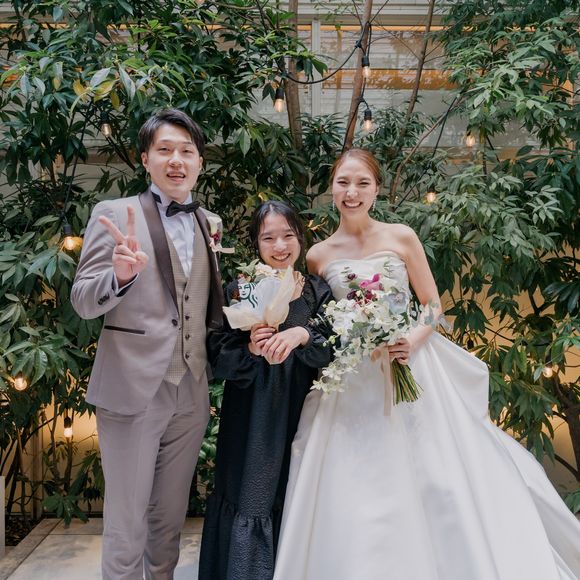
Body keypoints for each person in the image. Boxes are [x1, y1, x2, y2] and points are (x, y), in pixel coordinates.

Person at [273, 149, 580, 580]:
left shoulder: (401, 236)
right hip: (351, 375)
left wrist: (411, 340)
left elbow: (433, 305)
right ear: (332, 188)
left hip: (411, 365)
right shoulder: (318, 255)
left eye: (362, 183)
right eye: (343, 182)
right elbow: (324, 319)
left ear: (376, 190)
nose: (352, 192)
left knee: (438, 474)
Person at [71, 108, 224, 580]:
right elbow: (82, 300)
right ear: (145, 159)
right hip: (132, 388)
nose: (176, 160)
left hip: (191, 389)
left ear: (199, 162)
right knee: (126, 522)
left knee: (169, 519)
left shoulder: (211, 222)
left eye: (187, 151)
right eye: (165, 150)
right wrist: (118, 277)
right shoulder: (115, 214)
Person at [198, 201, 334, 580]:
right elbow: (217, 355)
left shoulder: (317, 292)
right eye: (268, 238)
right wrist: (251, 349)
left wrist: (303, 334)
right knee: (252, 495)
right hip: (251, 418)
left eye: (288, 235)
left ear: (300, 238)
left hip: (302, 413)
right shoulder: (239, 289)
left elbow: (335, 346)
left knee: (296, 497)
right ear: (256, 244)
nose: (280, 246)